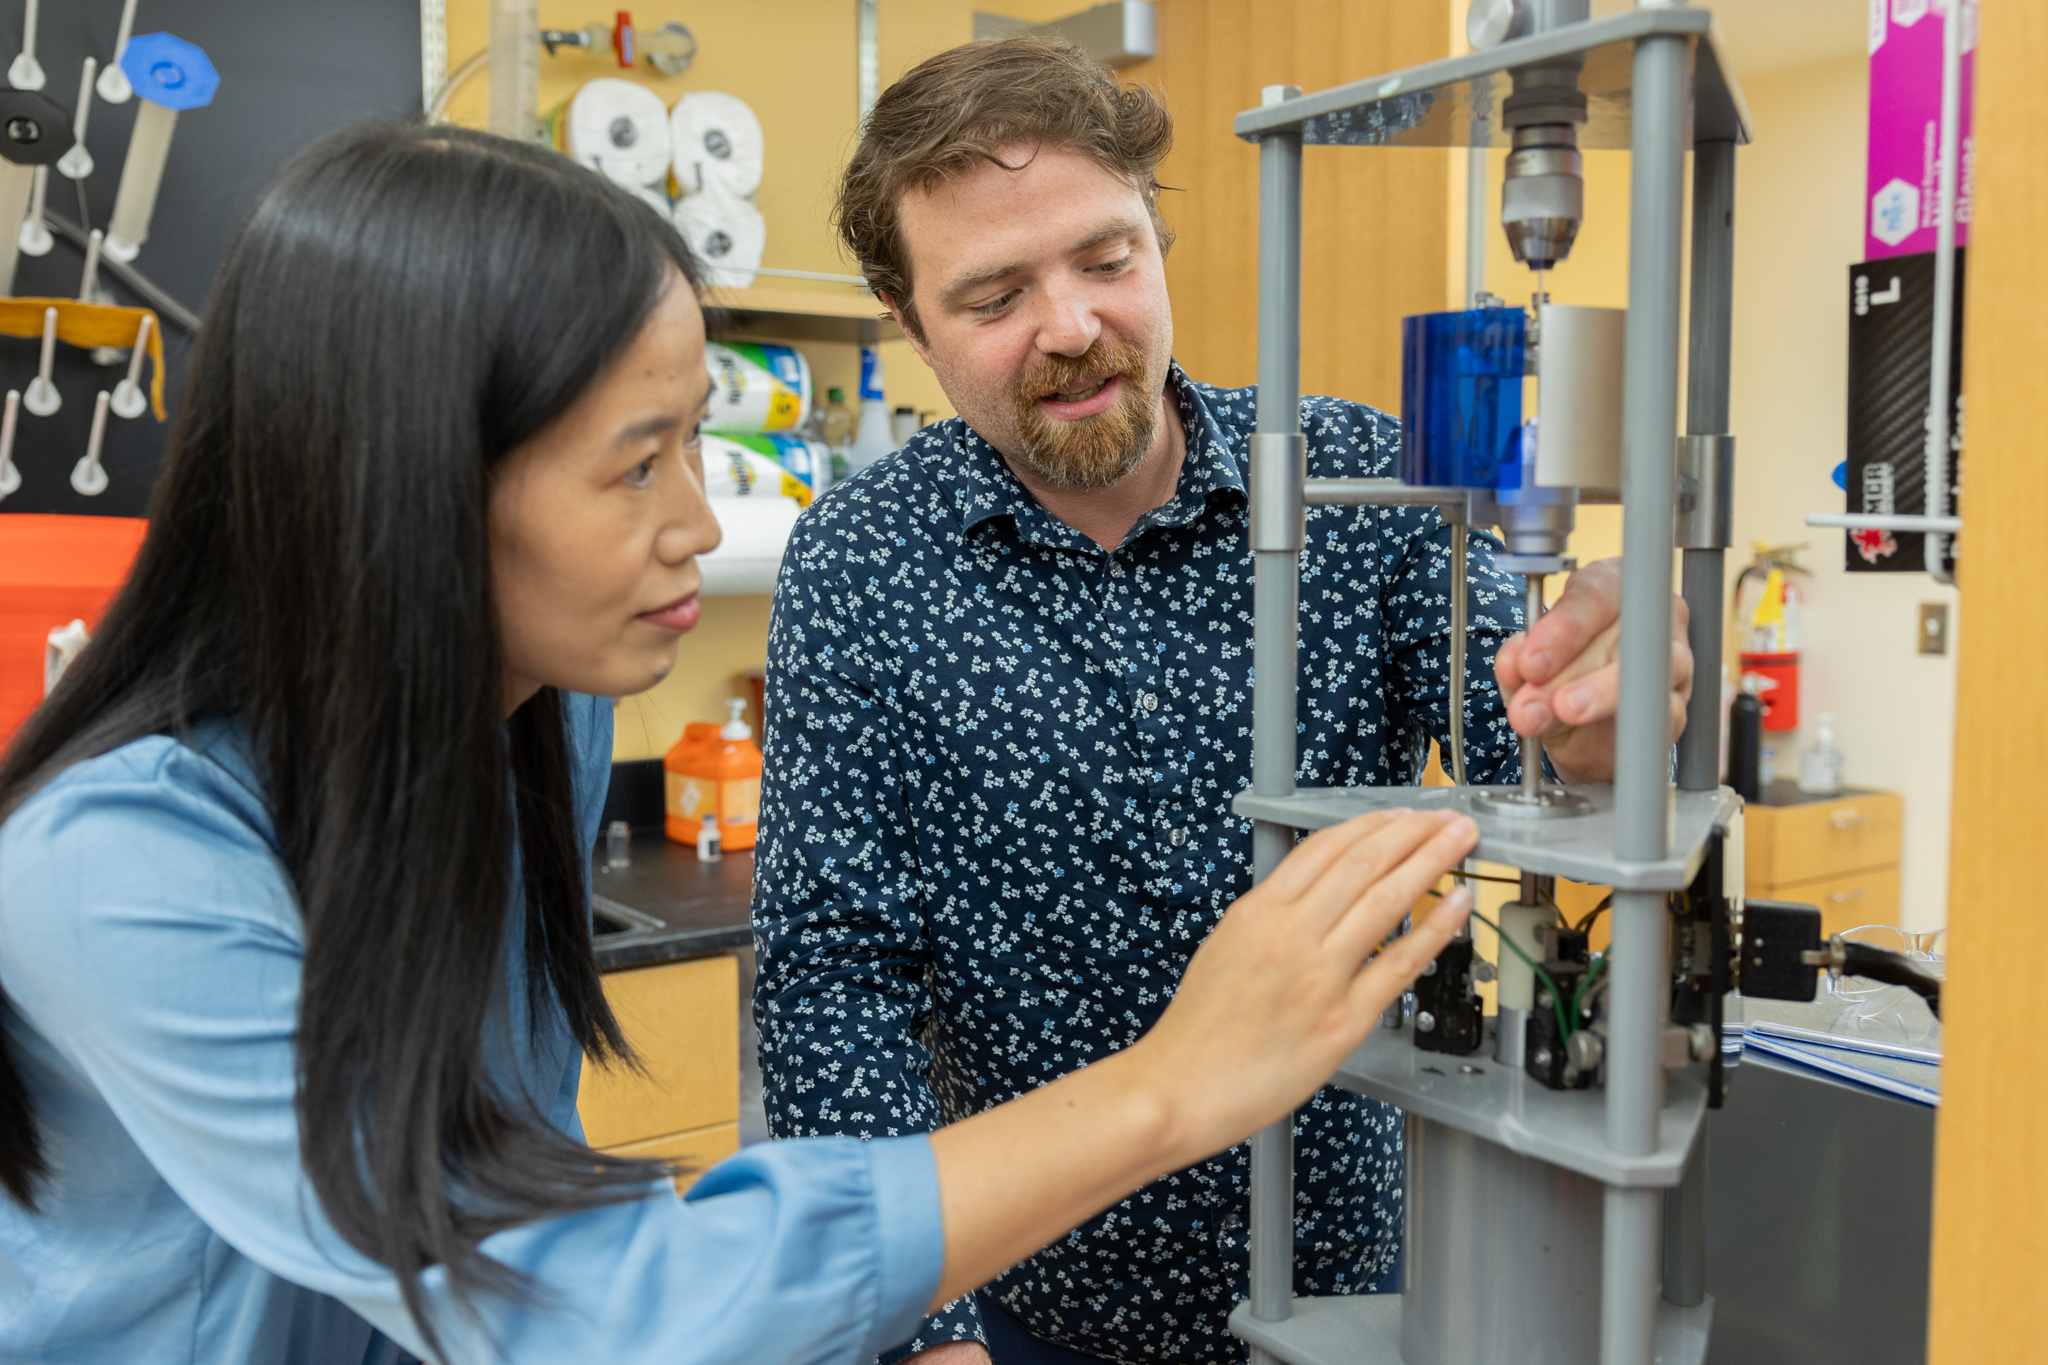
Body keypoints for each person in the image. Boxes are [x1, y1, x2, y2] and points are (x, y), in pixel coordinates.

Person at [0, 122, 1483, 1365]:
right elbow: (568, 1297)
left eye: (696, 439)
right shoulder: (115, 867)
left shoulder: (536, 716)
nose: (704, 526)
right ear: (414, 485)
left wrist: (1596, 702)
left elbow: (520, 1214)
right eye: (638, 460)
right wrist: (1174, 1084)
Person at [751, 36, 1693, 1365]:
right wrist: (920, 1334)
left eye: (1105, 258)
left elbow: (1534, 736)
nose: (1071, 326)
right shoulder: (860, 565)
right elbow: (829, 978)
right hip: (1026, 1305)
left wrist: (1605, 704)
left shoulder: (1359, 478)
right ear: (908, 326)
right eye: (995, 293)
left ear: (1159, 237)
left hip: (1355, 1296)